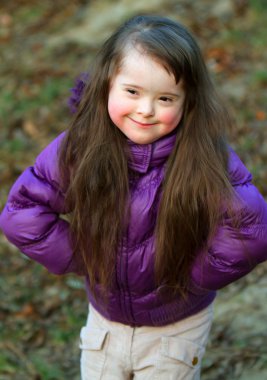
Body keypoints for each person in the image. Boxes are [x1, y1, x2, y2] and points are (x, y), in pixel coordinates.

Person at [1, 15, 267, 380]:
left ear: (188, 102)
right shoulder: (81, 147)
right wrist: (86, 255)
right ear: (107, 85)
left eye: (165, 98)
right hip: (105, 322)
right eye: (132, 92)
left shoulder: (203, 155)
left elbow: (250, 228)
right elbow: (23, 211)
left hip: (176, 327)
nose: (146, 109)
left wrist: (192, 277)